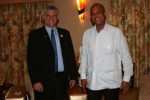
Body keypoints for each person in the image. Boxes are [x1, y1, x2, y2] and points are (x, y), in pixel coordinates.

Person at [78, 3, 133, 100]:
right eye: (93, 14)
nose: (96, 16)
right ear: (91, 17)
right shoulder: (87, 34)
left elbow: (126, 57)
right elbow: (84, 57)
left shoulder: (116, 33)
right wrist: (83, 76)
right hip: (93, 83)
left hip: (111, 83)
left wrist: (126, 79)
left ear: (104, 14)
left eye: (98, 12)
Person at [27, 5, 77, 100]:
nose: (51, 18)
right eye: (48, 15)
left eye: (54, 15)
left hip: (62, 81)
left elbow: (71, 56)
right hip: (42, 82)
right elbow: (31, 60)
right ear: (44, 17)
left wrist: (73, 76)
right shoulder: (35, 35)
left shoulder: (65, 34)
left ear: (57, 18)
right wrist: (35, 81)